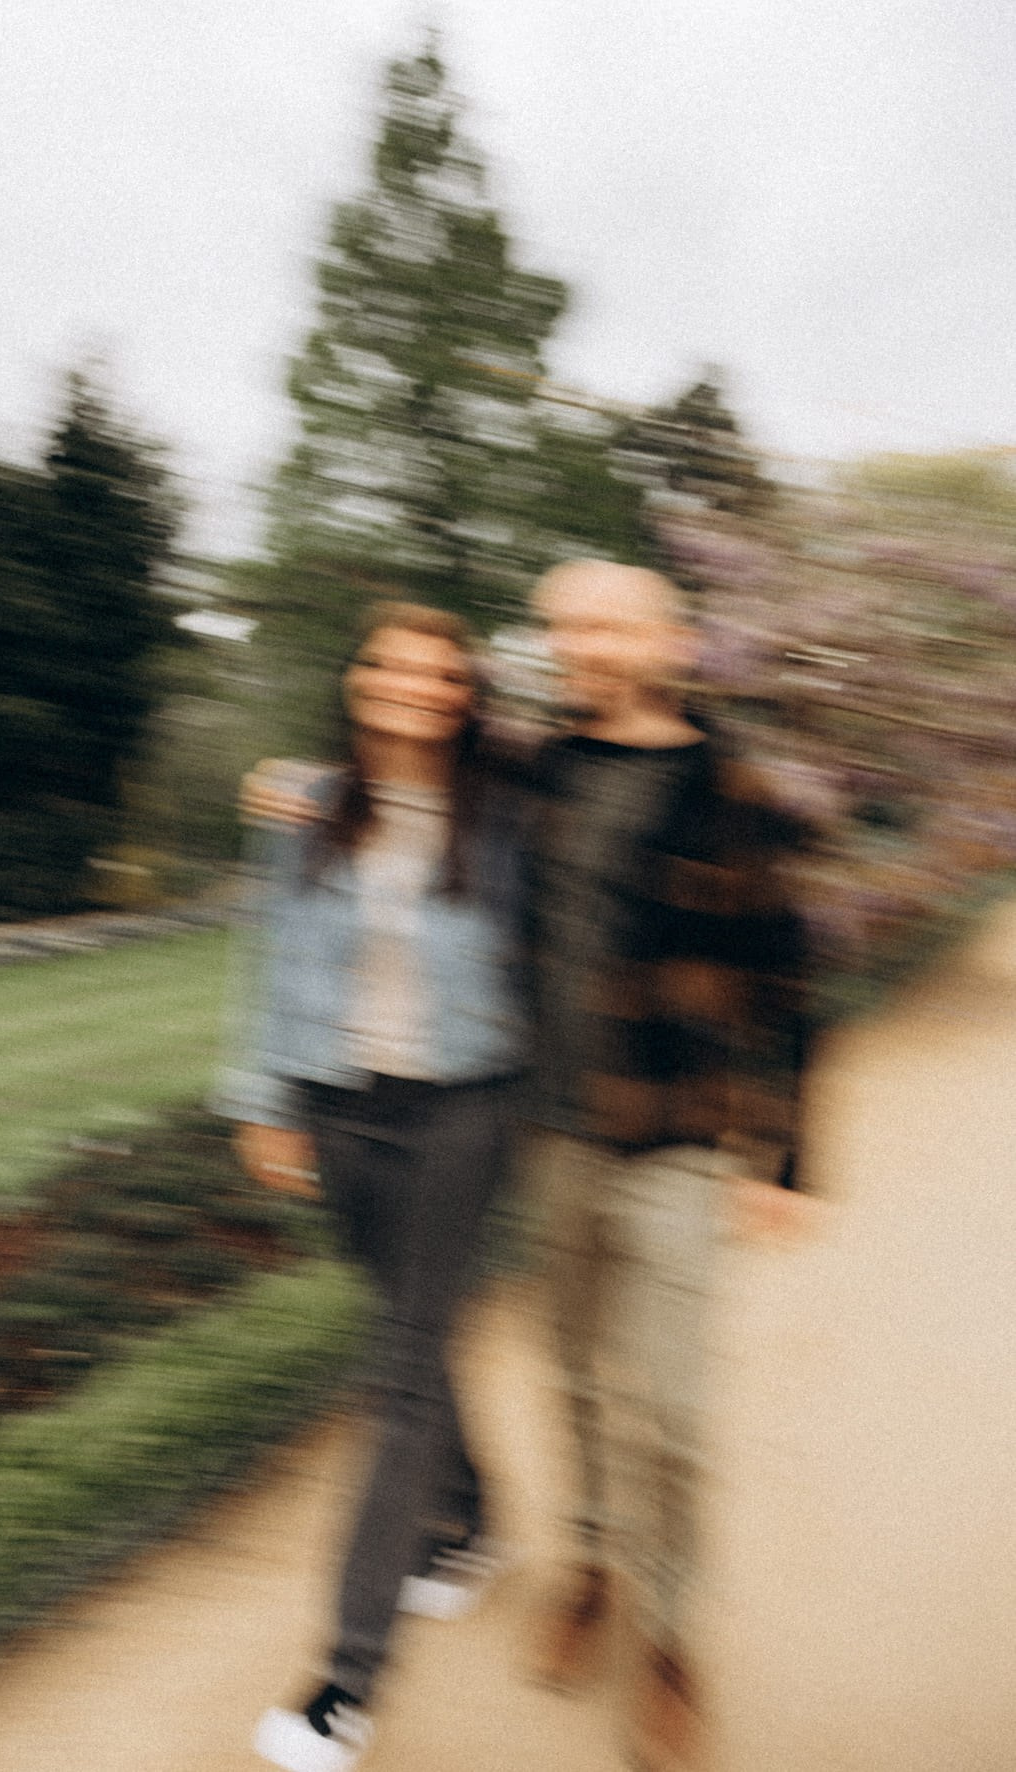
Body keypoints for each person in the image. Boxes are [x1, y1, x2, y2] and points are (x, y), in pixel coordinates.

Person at [223, 602, 529, 1772]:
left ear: (465, 693)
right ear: (356, 679)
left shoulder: (502, 810)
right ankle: (473, 1522)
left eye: (438, 671)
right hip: (340, 1105)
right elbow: (267, 950)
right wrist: (262, 1096)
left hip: (462, 1105)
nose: (411, 684)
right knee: (410, 1327)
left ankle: (344, 1681)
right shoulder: (302, 805)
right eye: (389, 665)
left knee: (394, 1373)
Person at [524, 560, 816, 1769]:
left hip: (680, 1137)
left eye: (607, 624)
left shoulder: (733, 789)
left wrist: (781, 1159)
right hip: (554, 1130)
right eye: (564, 627)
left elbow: (789, 977)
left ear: (671, 642)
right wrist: (296, 783)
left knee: (674, 1408)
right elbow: (403, 776)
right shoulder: (531, 768)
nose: (583, 645)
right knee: (576, 1374)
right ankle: (590, 1560)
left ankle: (669, 1636)